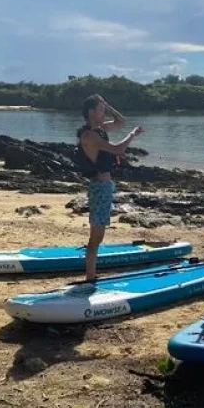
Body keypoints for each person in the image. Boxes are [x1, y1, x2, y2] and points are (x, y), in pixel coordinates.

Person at [78, 94, 144, 284]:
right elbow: (117, 149)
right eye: (100, 109)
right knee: (96, 237)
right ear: (91, 112)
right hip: (99, 187)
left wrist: (108, 105)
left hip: (105, 186)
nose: (104, 112)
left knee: (99, 235)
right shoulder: (89, 135)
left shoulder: (101, 128)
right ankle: (90, 276)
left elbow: (121, 121)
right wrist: (132, 134)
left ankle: (91, 274)